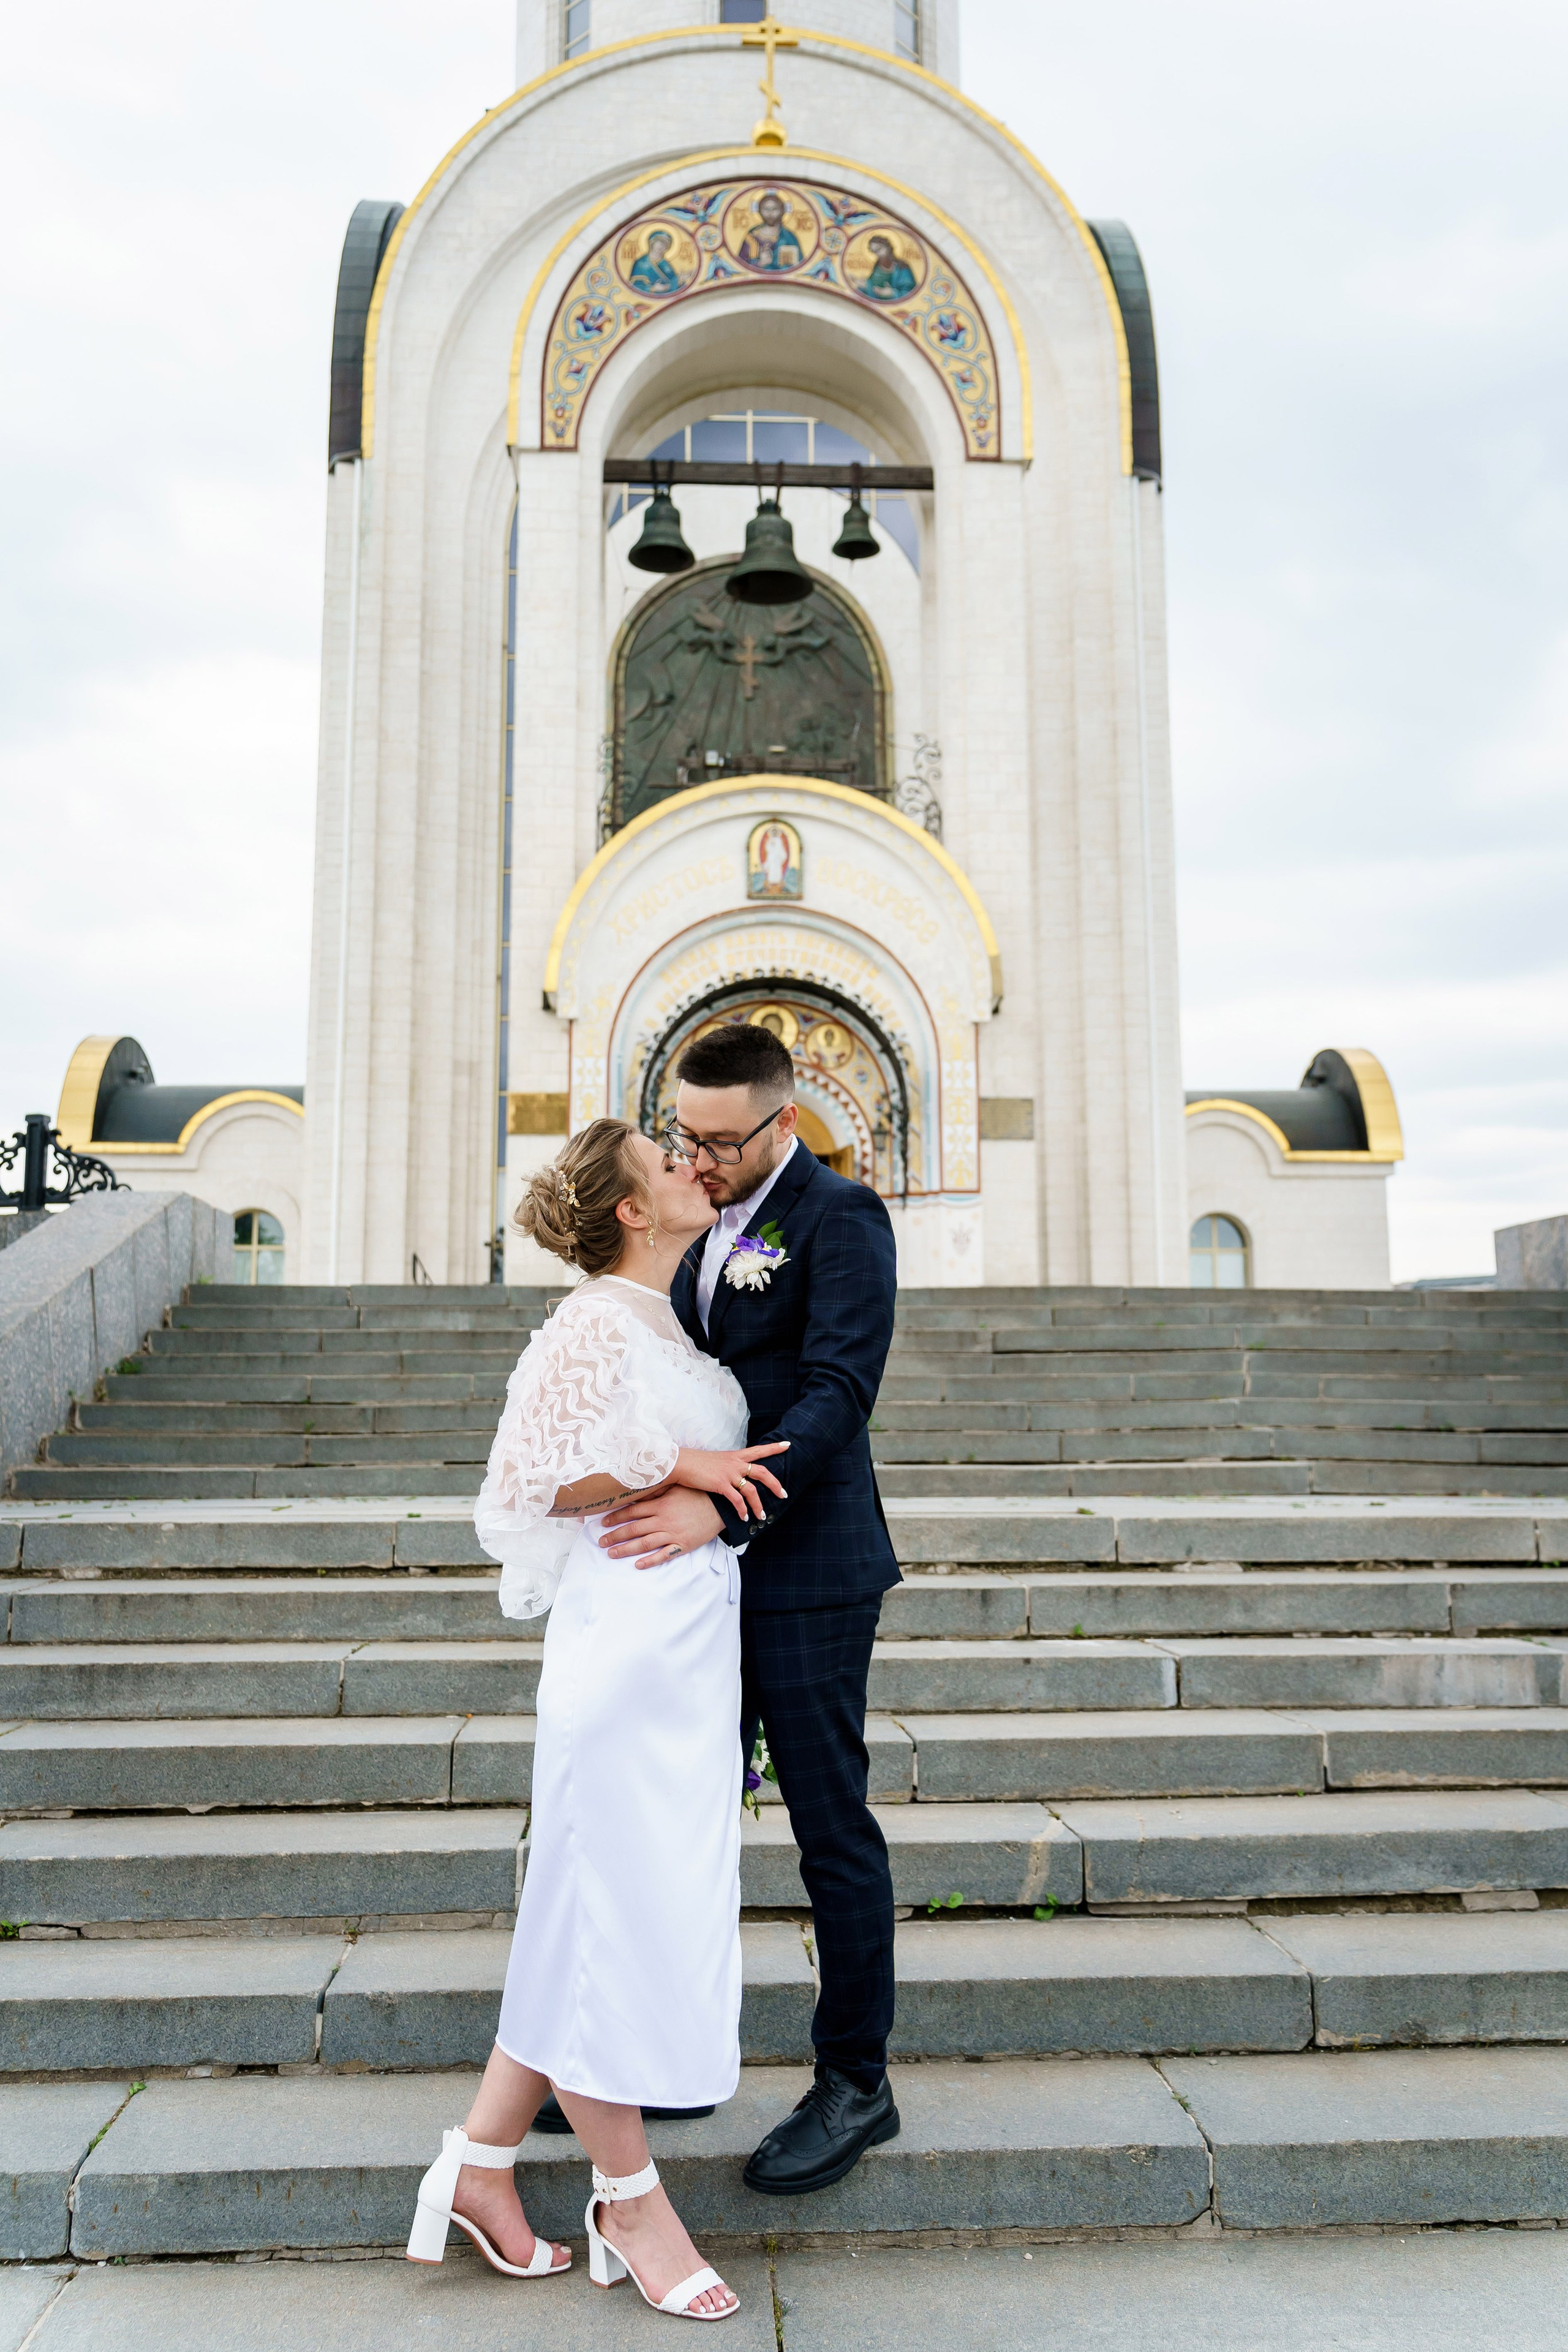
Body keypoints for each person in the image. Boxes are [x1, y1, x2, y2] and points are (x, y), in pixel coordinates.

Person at [406, 1117, 790, 2321]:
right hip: (621, 1653)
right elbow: (518, 1487)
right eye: (666, 1160)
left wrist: (694, 1486)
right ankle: (628, 2199)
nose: (691, 1165)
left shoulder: (672, 1319)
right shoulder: (588, 1320)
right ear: (630, 1208)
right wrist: (677, 1465)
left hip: (685, 1655)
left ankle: (477, 2166)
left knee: (595, 1914)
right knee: (612, 1917)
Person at [597, 1020, 903, 2196]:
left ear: (785, 1121)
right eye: (686, 1134)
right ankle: (668, 2057)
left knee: (831, 1832)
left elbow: (838, 1394)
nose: (701, 1158)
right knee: (684, 1812)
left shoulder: (841, 1220)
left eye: (722, 1140)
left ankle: (856, 2084)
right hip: (697, 1587)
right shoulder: (692, 1222)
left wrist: (723, 1513)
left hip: (808, 1570)